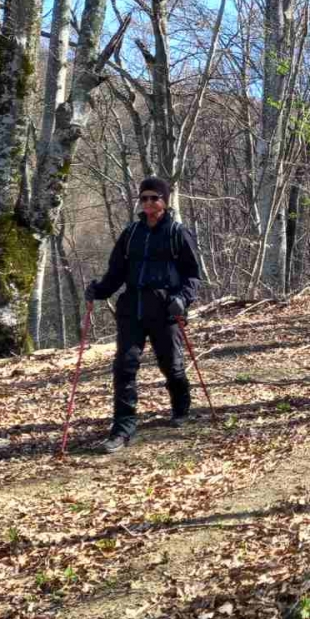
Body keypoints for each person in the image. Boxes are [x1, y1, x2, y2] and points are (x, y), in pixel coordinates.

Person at [84, 176, 201, 454]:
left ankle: (181, 406)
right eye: (144, 198)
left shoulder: (177, 233)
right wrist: (99, 290)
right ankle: (122, 429)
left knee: (171, 365)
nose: (149, 203)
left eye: (154, 198)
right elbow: (116, 273)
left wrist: (182, 300)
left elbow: (193, 275)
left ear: (165, 201)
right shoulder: (131, 234)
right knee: (124, 367)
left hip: (165, 309)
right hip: (131, 308)